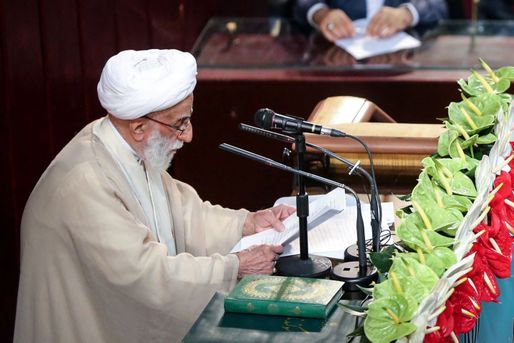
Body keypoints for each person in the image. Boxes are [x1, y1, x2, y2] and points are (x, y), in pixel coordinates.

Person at [14, 49, 295, 343]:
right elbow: (145, 276)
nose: (188, 135)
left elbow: (186, 215)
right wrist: (235, 267)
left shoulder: (125, 145)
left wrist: (247, 224)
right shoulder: (85, 184)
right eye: (179, 124)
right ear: (138, 127)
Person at [293, 0, 448, 41]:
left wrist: (407, 13)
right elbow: (302, 4)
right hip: (336, 60)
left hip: (400, 62)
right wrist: (321, 14)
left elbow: (438, 5)